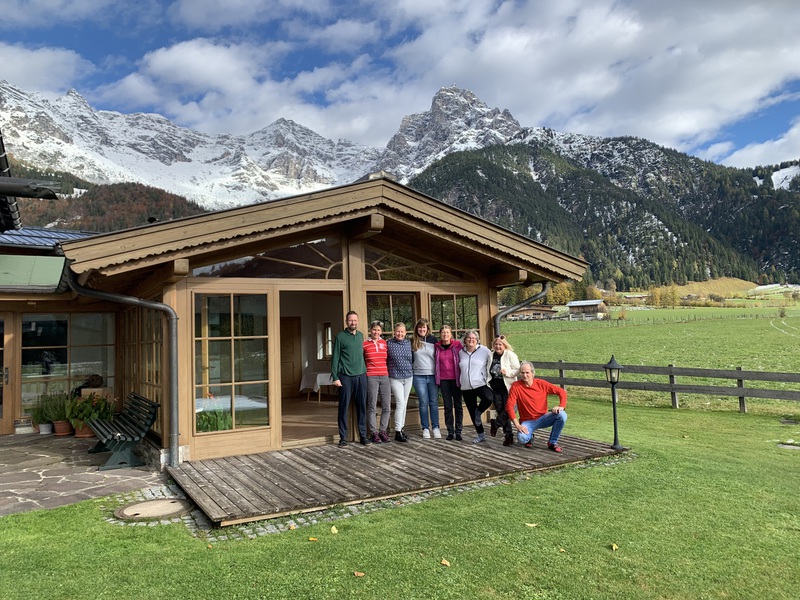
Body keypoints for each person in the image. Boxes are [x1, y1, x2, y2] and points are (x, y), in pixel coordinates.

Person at [506, 361, 568, 452]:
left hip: (543, 418)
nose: (525, 375)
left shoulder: (541, 384)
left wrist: (561, 406)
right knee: (522, 438)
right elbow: (509, 406)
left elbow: (561, 392)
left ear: (533, 373)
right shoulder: (516, 386)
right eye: (522, 373)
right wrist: (517, 425)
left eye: (527, 372)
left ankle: (552, 443)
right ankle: (529, 437)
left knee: (562, 415)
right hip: (527, 421)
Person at [331, 310, 370, 447]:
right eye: (350, 320)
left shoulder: (360, 336)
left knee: (362, 407)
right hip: (346, 377)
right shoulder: (340, 337)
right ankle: (343, 438)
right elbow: (335, 358)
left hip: (361, 376)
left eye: (355, 320)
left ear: (357, 321)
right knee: (343, 407)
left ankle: (363, 436)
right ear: (346, 322)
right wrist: (335, 377)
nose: (353, 322)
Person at [458, 329, 494, 443]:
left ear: (477, 340)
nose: (471, 340)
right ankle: (481, 435)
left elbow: (496, 356)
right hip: (466, 386)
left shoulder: (484, 351)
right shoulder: (460, 352)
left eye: (473, 338)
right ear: (465, 340)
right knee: (471, 410)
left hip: (480, 383)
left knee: (488, 398)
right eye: (469, 338)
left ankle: (479, 412)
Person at [488, 335, 520, 447]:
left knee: (508, 410)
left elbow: (518, 369)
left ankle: (496, 424)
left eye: (500, 345)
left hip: (508, 388)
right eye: (496, 344)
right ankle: (508, 436)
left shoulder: (510, 355)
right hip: (495, 388)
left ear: (504, 345)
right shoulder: (491, 355)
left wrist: (508, 373)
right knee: (501, 410)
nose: (498, 346)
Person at [412, 317, 440, 439]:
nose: (422, 329)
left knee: (433, 402)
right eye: (420, 327)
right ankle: (425, 428)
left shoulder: (434, 340)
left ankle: (436, 427)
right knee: (423, 402)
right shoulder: (413, 341)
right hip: (418, 376)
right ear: (417, 328)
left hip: (432, 375)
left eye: (424, 327)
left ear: (427, 328)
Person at [364, 320, 391, 444]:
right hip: (371, 377)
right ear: (371, 330)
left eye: (378, 330)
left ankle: (383, 431)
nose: (376, 332)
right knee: (372, 405)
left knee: (386, 406)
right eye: (374, 329)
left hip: (384, 376)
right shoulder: (365, 344)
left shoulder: (385, 343)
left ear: (381, 331)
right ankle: (373, 433)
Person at [434, 324, 463, 440]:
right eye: (443, 332)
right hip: (443, 380)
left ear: (451, 334)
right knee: (447, 406)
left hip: (456, 379)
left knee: (458, 405)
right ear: (440, 334)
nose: (445, 334)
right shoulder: (437, 347)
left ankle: (458, 431)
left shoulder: (457, 345)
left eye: (447, 332)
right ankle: (450, 431)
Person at [387, 322, 413, 442]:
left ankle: (401, 429)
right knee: (400, 403)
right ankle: (397, 431)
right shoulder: (389, 343)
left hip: (408, 377)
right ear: (394, 332)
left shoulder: (409, 343)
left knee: (405, 403)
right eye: (398, 331)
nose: (400, 334)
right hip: (395, 377)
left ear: (405, 333)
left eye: (402, 332)